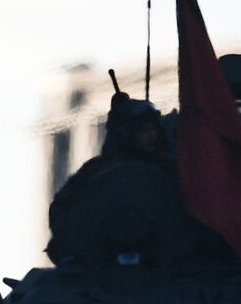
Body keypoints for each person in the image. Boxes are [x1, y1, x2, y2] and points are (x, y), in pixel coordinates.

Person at [46, 92, 169, 264]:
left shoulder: (168, 168)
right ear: (127, 134)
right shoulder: (96, 171)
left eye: (154, 130)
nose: (151, 136)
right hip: (101, 261)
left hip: (163, 259)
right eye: (144, 131)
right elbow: (61, 209)